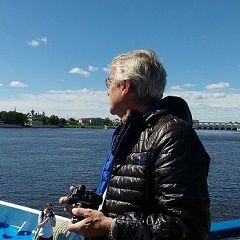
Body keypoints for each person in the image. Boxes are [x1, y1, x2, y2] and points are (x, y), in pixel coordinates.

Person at [60, 49, 210, 240]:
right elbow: (131, 200)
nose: (107, 90)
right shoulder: (131, 131)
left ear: (125, 87)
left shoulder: (173, 135)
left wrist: (109, 226)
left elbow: (189, 227)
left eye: (109, 82)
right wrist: (92, 206)